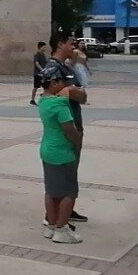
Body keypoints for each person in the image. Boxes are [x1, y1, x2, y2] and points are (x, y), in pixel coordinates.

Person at [33, 35, 90, 222]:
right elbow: (62, 95)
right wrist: (74, 91)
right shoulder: (52, 68)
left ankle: (65, 212)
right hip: (66, 129)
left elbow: (82, 95)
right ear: (60, 44)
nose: (74, 47)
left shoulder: (66, 67)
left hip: (74, 121)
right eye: (71, 43)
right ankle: (56, 218)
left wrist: (74, 91)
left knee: (69, 175)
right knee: (61, 178)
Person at [38, 66, 84, 243]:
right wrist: (78, 143)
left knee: (51, 191)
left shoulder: (43, 101)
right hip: (62, 152)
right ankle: (62, 229)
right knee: (69, 192)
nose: (65, 85)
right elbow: (69, 129)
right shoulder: (60, 106)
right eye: (62, 81)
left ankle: (51, 225)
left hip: (47, 149)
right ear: (53, 83)